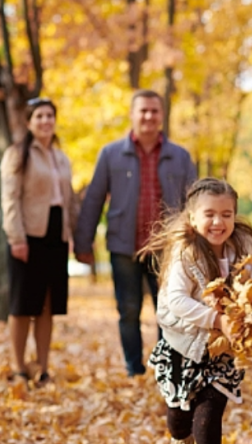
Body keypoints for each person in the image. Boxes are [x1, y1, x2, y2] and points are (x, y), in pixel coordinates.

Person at [74, 90, 197, 377]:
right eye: (143, 110)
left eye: (154, 111)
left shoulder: (180, 156)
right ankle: (134, 368)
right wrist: (83, 242)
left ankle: (166, 369)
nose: (148, 116)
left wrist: (198, 244)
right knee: (128, 310)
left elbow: (195, 202)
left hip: (167, 251)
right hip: (123, 246)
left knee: (169, 311)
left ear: (162, 115)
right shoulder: (111, 154)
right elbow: (93, 199)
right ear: (132, 114)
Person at [140, 178, 252, 444]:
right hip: (183, 345)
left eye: (226, 214)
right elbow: (177, 299)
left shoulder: (243, 247)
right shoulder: (185, 251)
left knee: (209, 416)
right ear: (192, 217)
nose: (218, 222)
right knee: (178, 423)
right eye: (209, 214)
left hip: (220, 350)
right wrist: (217, 320)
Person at [0, 97, 79, 387]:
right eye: (40, 116)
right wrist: (16, 238)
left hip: (56, 236)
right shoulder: (17, 154)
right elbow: (10, 199)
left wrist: (71, 234)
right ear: (29, 122)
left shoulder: (61, 157)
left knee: (48, 304)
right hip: (28, 235)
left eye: (50, 116)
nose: (46, 121)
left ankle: (42, 367)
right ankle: (19, 366)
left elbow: (69, 201)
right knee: (22, 305)